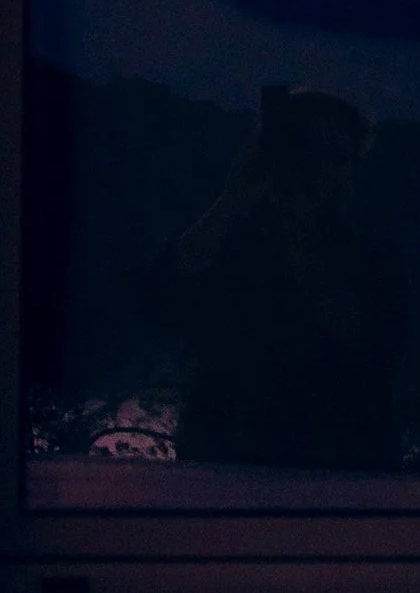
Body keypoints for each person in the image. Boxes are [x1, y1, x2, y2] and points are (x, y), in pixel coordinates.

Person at [170, 86, 407, 471]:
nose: (321, 171)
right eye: (308, 153)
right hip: (225, 480)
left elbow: (370, 351)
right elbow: (155, 299)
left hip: (344, 478)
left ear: (351, 171)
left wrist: (296, 244)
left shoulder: (375, 261)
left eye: (337, 158)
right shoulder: (231, 251)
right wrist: (234, 199)